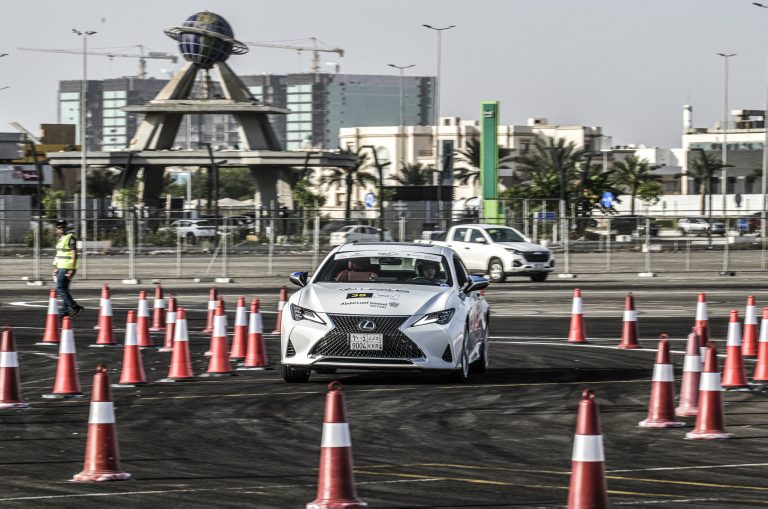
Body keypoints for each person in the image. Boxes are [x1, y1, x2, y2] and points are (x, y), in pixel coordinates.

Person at [52, 220, 84, 319]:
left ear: (66, 228)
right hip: (61, 267)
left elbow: (74, 254)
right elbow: (59, 255)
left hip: (67, 267)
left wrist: (71, 269)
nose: (61, 229)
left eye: (63, 227)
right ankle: (64, 312)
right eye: (59, 227)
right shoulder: (61, 239)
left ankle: (74, 307)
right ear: (56, 229)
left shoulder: (70, 238)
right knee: (64, 289)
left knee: (60, 288)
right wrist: (56, 267)